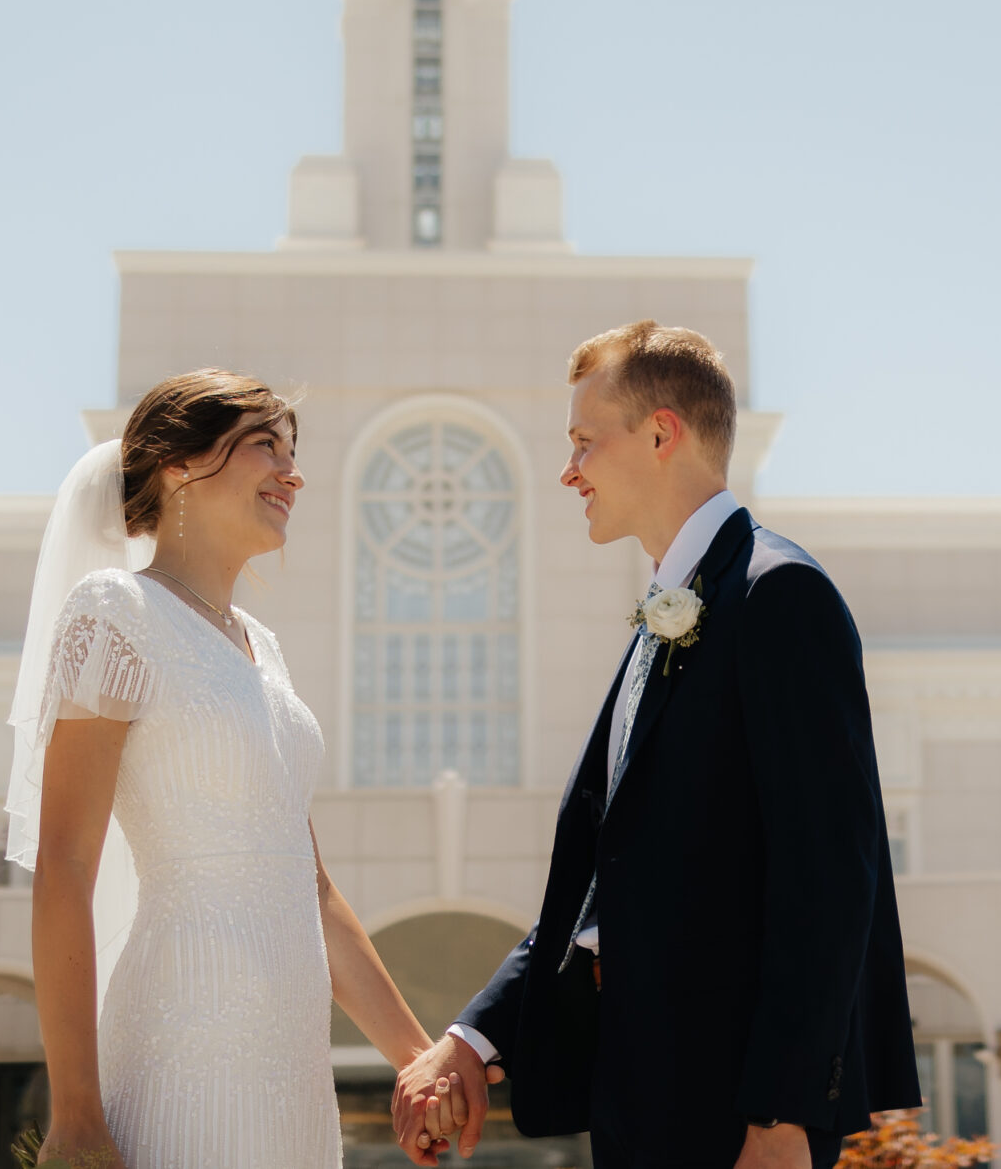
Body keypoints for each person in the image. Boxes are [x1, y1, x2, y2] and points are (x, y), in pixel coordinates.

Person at [391, 322, 919, 1168]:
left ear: (662, 432)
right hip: (639, 1087)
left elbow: (828, 878)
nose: (569, 470)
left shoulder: (779, 596)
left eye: (583, 442)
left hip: (738, 1110)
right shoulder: (660, 620)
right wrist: (472, 1038)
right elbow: (611, 888)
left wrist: (782, 1115)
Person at [7, 370, 450, 1169]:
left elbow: (309, 885)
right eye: (265, 447)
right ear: (178, 464)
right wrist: (74, 1113)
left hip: (292, 1074)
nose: (294, 471)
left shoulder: (264, 647)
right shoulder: (114, 613)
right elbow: (65, 867)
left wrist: (419, 1062)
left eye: (294, 450)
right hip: (183, 1042)